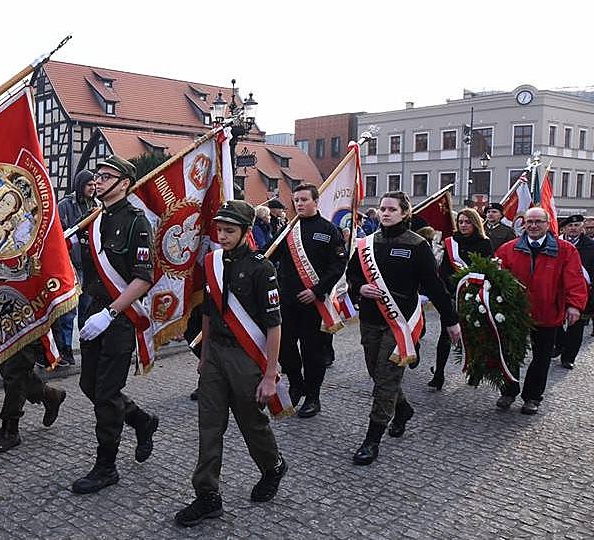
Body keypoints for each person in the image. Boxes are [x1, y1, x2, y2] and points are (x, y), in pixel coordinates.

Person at [174, 200, 288, 527]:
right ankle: (207, 495)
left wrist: (269, 375)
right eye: (219, 230)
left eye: (229, 230)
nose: (221, 236)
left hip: (246, 356)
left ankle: (273, 466)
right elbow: (209, 313)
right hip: (216, 356)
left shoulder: (260, 267)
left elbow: (273, 324)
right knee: (209, 425)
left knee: (252, 422)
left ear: (245, 232)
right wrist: (205, 356)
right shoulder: (212, 262)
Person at [345, 192, 461, 465]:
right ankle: (404, 408)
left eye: (391, 209)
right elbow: (352, 274)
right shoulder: (366, 243)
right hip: (371, 319)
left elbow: (434, 286)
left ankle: (372, 439)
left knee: (385, 379)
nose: (385, 213)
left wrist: (451, 319)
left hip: (401, 323)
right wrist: (358, 288)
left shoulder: (417, 245)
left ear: (404, 213)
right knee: (377, 373)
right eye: (382, 209)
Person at [72, 155, 158, 494]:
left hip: (118, 318)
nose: (99, 180)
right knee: (89, 386)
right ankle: (141, 420)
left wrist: (110, 314)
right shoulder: (94, 220)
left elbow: (143, 278)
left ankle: (106, 466)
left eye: (107, 176)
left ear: (124, 183)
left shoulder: (137, 222)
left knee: (106, 395)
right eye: (98, 175)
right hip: (93, 312)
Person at [494, 207, 587, 414]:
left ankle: (533, 397)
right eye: (530, 222)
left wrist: (574, 306)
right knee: (510, 354)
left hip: (547, 314)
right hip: (515, 314)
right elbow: (496, 278)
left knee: (542, 357)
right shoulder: (508, 249)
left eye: (538, 222)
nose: (533, 226)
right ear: (524, 224)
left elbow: (574, 280)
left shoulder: (565, 250)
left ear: (547, 224)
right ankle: (508, 391)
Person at [271, 183, 347, 417]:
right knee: (284, 348)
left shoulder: (329, 230)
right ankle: (296, 384)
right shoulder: (287, 230)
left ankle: (313, 396)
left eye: (304, 199)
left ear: (315, 202)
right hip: (287, 300)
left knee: (312, 352)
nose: (300, 204)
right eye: (296, 200)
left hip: (314, 303)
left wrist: (317, 290)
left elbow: (337, 266)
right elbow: (269, 254)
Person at [428, 209, 493, 390]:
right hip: (453, 296)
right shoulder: (451, 242)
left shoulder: (484, 243)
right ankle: (439, 373)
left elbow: (487, 270)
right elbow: (444, 272)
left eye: (467, 222)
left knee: (474, 336)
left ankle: (475, 370)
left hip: (475, 297)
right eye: (461, 222)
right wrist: (451, 290)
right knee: (445, 336)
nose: (463, 225)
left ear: (475, 223)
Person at [0, 340, 67, 453]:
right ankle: (49, 395)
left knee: (16, 371)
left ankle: (10, 430)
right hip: (5, 329)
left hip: (26, 327)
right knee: (8, 369)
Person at [53, 169, 98, 366]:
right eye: (90, 185)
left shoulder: (96, 206)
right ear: (81, 185)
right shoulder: (65, 206)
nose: (94, 188)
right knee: (68, 312)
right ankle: (65, 350)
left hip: (88, 266)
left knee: (87, 310)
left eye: (95, 185)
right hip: (70, 266)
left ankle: (87, 348)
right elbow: (59, 235)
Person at [556, 214, 594, 369]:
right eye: (570, 226)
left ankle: (568, 357)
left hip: (582, 291)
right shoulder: (556, 244)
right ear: (564, 228)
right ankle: (559, 344)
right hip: (557, 290)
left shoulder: (590, 246)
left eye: (577, 225)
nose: (573, 228)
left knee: (576, 325)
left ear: (582, 227)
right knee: (554, 321)